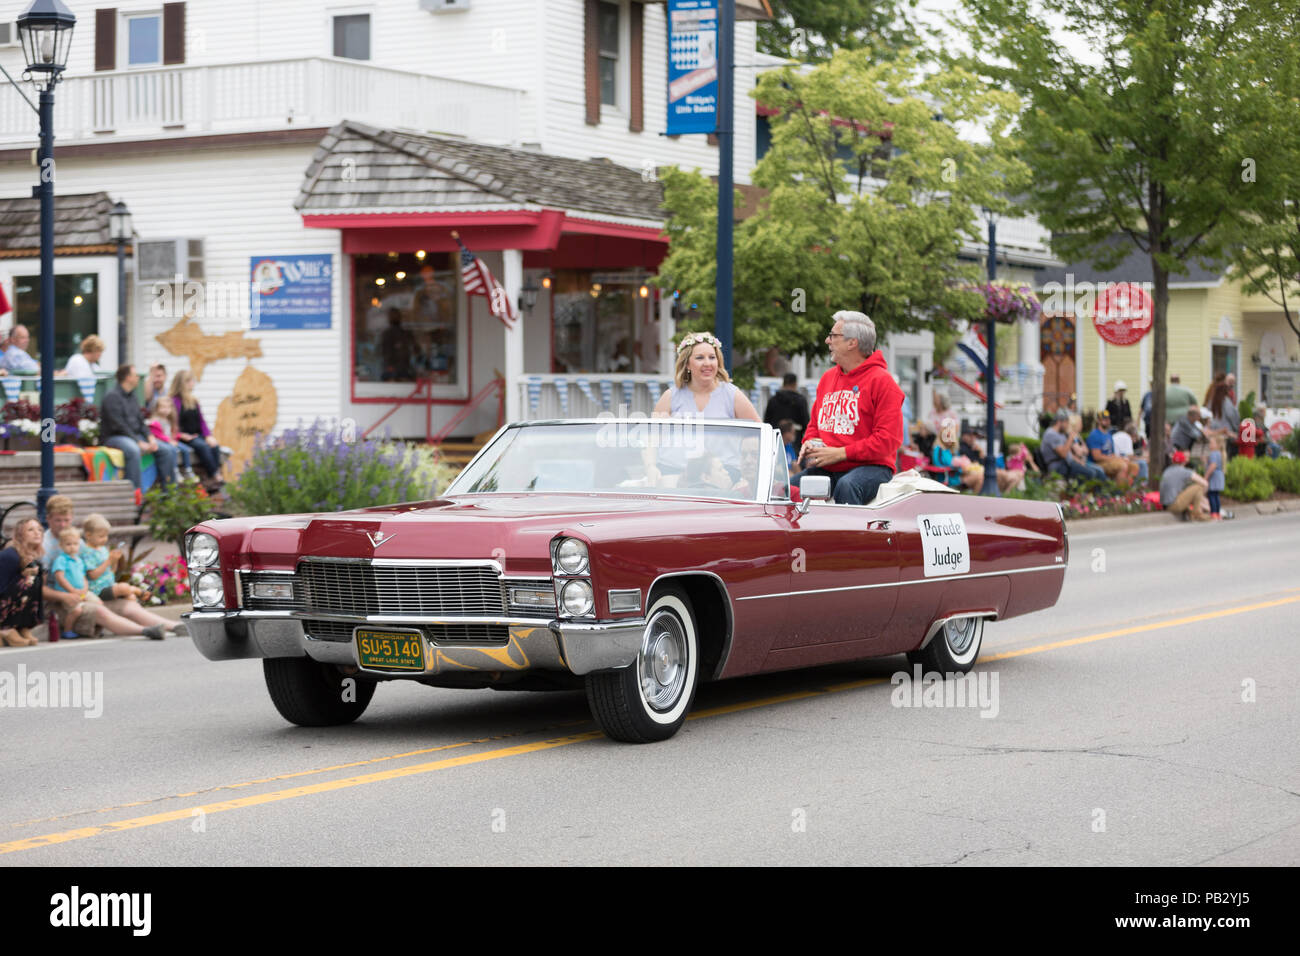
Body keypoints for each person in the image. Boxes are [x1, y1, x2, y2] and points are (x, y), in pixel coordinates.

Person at [793, 311, 903, 505]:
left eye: (833, 335)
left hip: (872, 468)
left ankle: (850, 536)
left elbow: (888, 440)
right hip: (828, 469)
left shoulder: (883, 382)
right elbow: (814, 426)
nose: (827, 340)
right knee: (785, 489)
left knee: (848, 486)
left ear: (852, 342)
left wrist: (841, 453)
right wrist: (810, 442)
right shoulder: (827, 378)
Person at [38, 495, 178, 636]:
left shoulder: (77, 542)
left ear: (72, 518)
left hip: (85, 593)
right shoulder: (44, 546)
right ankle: (145, 631)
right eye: (57, 521)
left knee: (129, 606)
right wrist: (64, 597)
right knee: (98, 610)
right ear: (48, 519)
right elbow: (40, 588)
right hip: (61, 603)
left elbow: (87, 574)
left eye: (66, 520)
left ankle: (175, 626)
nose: (62, 525)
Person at [652, 331, 761, 421]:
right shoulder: (671, 396)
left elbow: (758, 432)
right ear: (687, 365)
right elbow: (653, 439)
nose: (707, 363)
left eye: (712, 357)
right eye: (700, 358)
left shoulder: (732, 395)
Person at [102, 365, 178, 491]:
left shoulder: (133, 396)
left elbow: (141, 422)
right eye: (135, 375)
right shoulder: (112, 397)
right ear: (128, 378)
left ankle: (169, 494)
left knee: (167, 450)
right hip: (115, 437)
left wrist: (150, 438)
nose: (138, 378)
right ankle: (134, 495)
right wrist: (139, 442)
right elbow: (118, 425)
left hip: (136, 436)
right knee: (133, 450)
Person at [170, 369, 223, 482]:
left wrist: (208, 435)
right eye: (190, 381)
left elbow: (201, 420)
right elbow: (172, 423)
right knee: (202, 446)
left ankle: (214, 474)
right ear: (182, 383)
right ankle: (215, 476)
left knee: (214, 446)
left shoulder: (193, 400)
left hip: (197, 435)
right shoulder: (174, 401)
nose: (192, 383)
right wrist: (180, 435)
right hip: (184, 437)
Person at [80, 514, 147, 601]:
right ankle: (138, 591)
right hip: (98, 590)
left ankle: (136, 598)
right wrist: (108, 561)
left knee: (131, 597)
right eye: (101, 536)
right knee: (124, 588)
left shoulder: (102, 549)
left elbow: (112, 571)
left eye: (106, 536)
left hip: (109, 584)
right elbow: (93, 575)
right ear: (88, 535)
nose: (105, 539)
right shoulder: (86, 552)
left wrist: (114, 560)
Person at [0, 518, 45, 647]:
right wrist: (22, 576)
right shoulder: (10, 555)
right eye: (30, 530)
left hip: (9, 604)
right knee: (29, 580)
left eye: (39, 530)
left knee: (34, 579)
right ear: (20, 534)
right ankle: (6, 628)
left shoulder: (33, 556)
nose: (37, 533)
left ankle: (22, 627)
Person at [1041, 410, 1105, 481]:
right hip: (1058, 466)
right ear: (1060, 422)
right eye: (1067, 422)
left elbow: (1070, 454)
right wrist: (1070, 438)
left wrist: (1077, 461)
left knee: (1097, 472)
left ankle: (1102, 491)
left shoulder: (1060, 434)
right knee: (1090, 473)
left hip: (1068, 464)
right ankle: (1075, 491)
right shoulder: (1051, 434)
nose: (1068, 425)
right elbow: (1063, 454)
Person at [1086, 410, 1141, 488]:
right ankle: (1119, 493)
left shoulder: (1108, 435)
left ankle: (1126, 490)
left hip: (1109, 460)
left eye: (1108, 419)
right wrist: (1113, 458)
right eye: (1104, 419)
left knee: (1134, 466)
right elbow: (1096, 457)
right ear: (1098, 420)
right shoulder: (1095, 434)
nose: (1107, 421)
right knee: (1122, 466)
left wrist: (1121, 458)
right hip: (1098, 463)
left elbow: (1112, 453)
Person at [149, 398, 192, 480]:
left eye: (168, 407)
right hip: (163, 442)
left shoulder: (169, 420)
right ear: (157, 408)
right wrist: (169, 441)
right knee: (173, 450)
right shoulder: (155, 421)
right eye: (163, 407)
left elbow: (173, 432)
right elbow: (157, 435)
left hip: (171, 441)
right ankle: (174, 471)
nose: (166, 410)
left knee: (186, 449)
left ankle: (188, 470)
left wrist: (181, 436)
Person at [1160, 450, 1211, 521]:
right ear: (1184, 461)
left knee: (1192, 491)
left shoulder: (1167, 470)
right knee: (1198, 488)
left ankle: (1193, 512)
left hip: (1165, 506)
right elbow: (1205, 483)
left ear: (1173, 461)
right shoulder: (1184, 471)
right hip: (1174, 505)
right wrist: (1202, 495)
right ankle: (1197, 513)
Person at [1206, 379, 1240, 458]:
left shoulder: (1211, 401)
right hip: (1226, 432)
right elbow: (1232, 416)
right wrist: (1236, 428)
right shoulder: (1226, 401)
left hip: (1214, 432)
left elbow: (1207, 415)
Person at [380, 307, 416, 381]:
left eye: (396, 315)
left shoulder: (405, 334)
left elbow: (415, 349)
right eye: (392, 315)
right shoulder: (387, 334)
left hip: (403, 370)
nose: (394, 317)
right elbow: (384, 352)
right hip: (393, 371)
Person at [1203, 436, 1233, 521]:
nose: (1210, 445)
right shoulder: (1220, 453)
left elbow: (1213, 466)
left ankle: (1214, 513)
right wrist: (1205, 462)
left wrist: (1206, 477)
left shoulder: (1213, 453)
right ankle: (1218, 513)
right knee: (1216, 495)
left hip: (1214, 477)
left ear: (1218, 445)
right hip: (1219, 476)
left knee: (1211, 495)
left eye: (1211, 443)